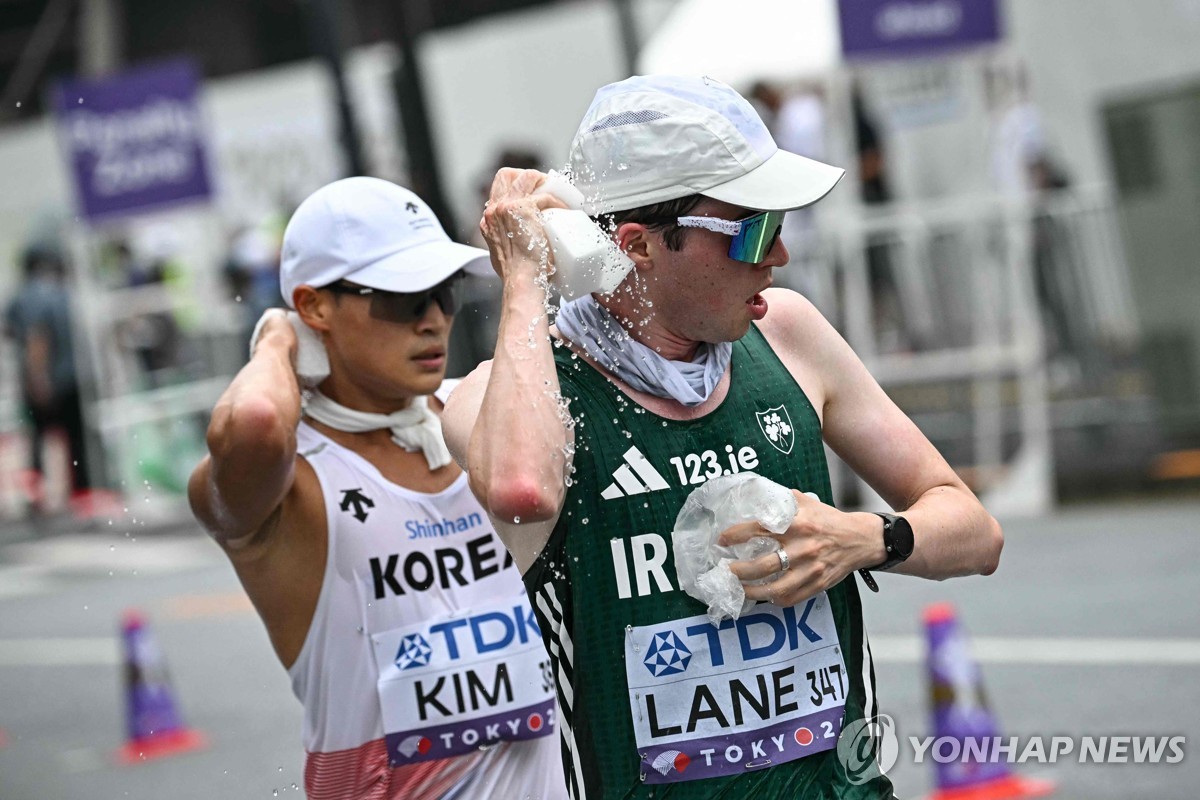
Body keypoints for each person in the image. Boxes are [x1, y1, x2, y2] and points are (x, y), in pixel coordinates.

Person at [443, 75, 1003, 799]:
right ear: (640, 246)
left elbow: (975, 531)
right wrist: (524, 278)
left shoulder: (789, 335)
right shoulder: (509, 395)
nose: (779, 256)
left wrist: (864, 538)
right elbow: (522, 489)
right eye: (755, 230)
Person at [188, 177, 565, 800]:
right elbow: (253, 423)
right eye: (401, 300)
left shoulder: (477, 416)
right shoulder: (293, 478)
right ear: (314, 309)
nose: (433, 321)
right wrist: (276, 342)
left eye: (442, 293)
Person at [4, 247, 90, 511]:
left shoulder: (25, 298)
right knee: (76, 438)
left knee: (39, 437)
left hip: (46, 379)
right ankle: (81, 492)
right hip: (73, 377)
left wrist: (38, 379)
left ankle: (37, 496)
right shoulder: (64, 293)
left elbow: (36, 339)